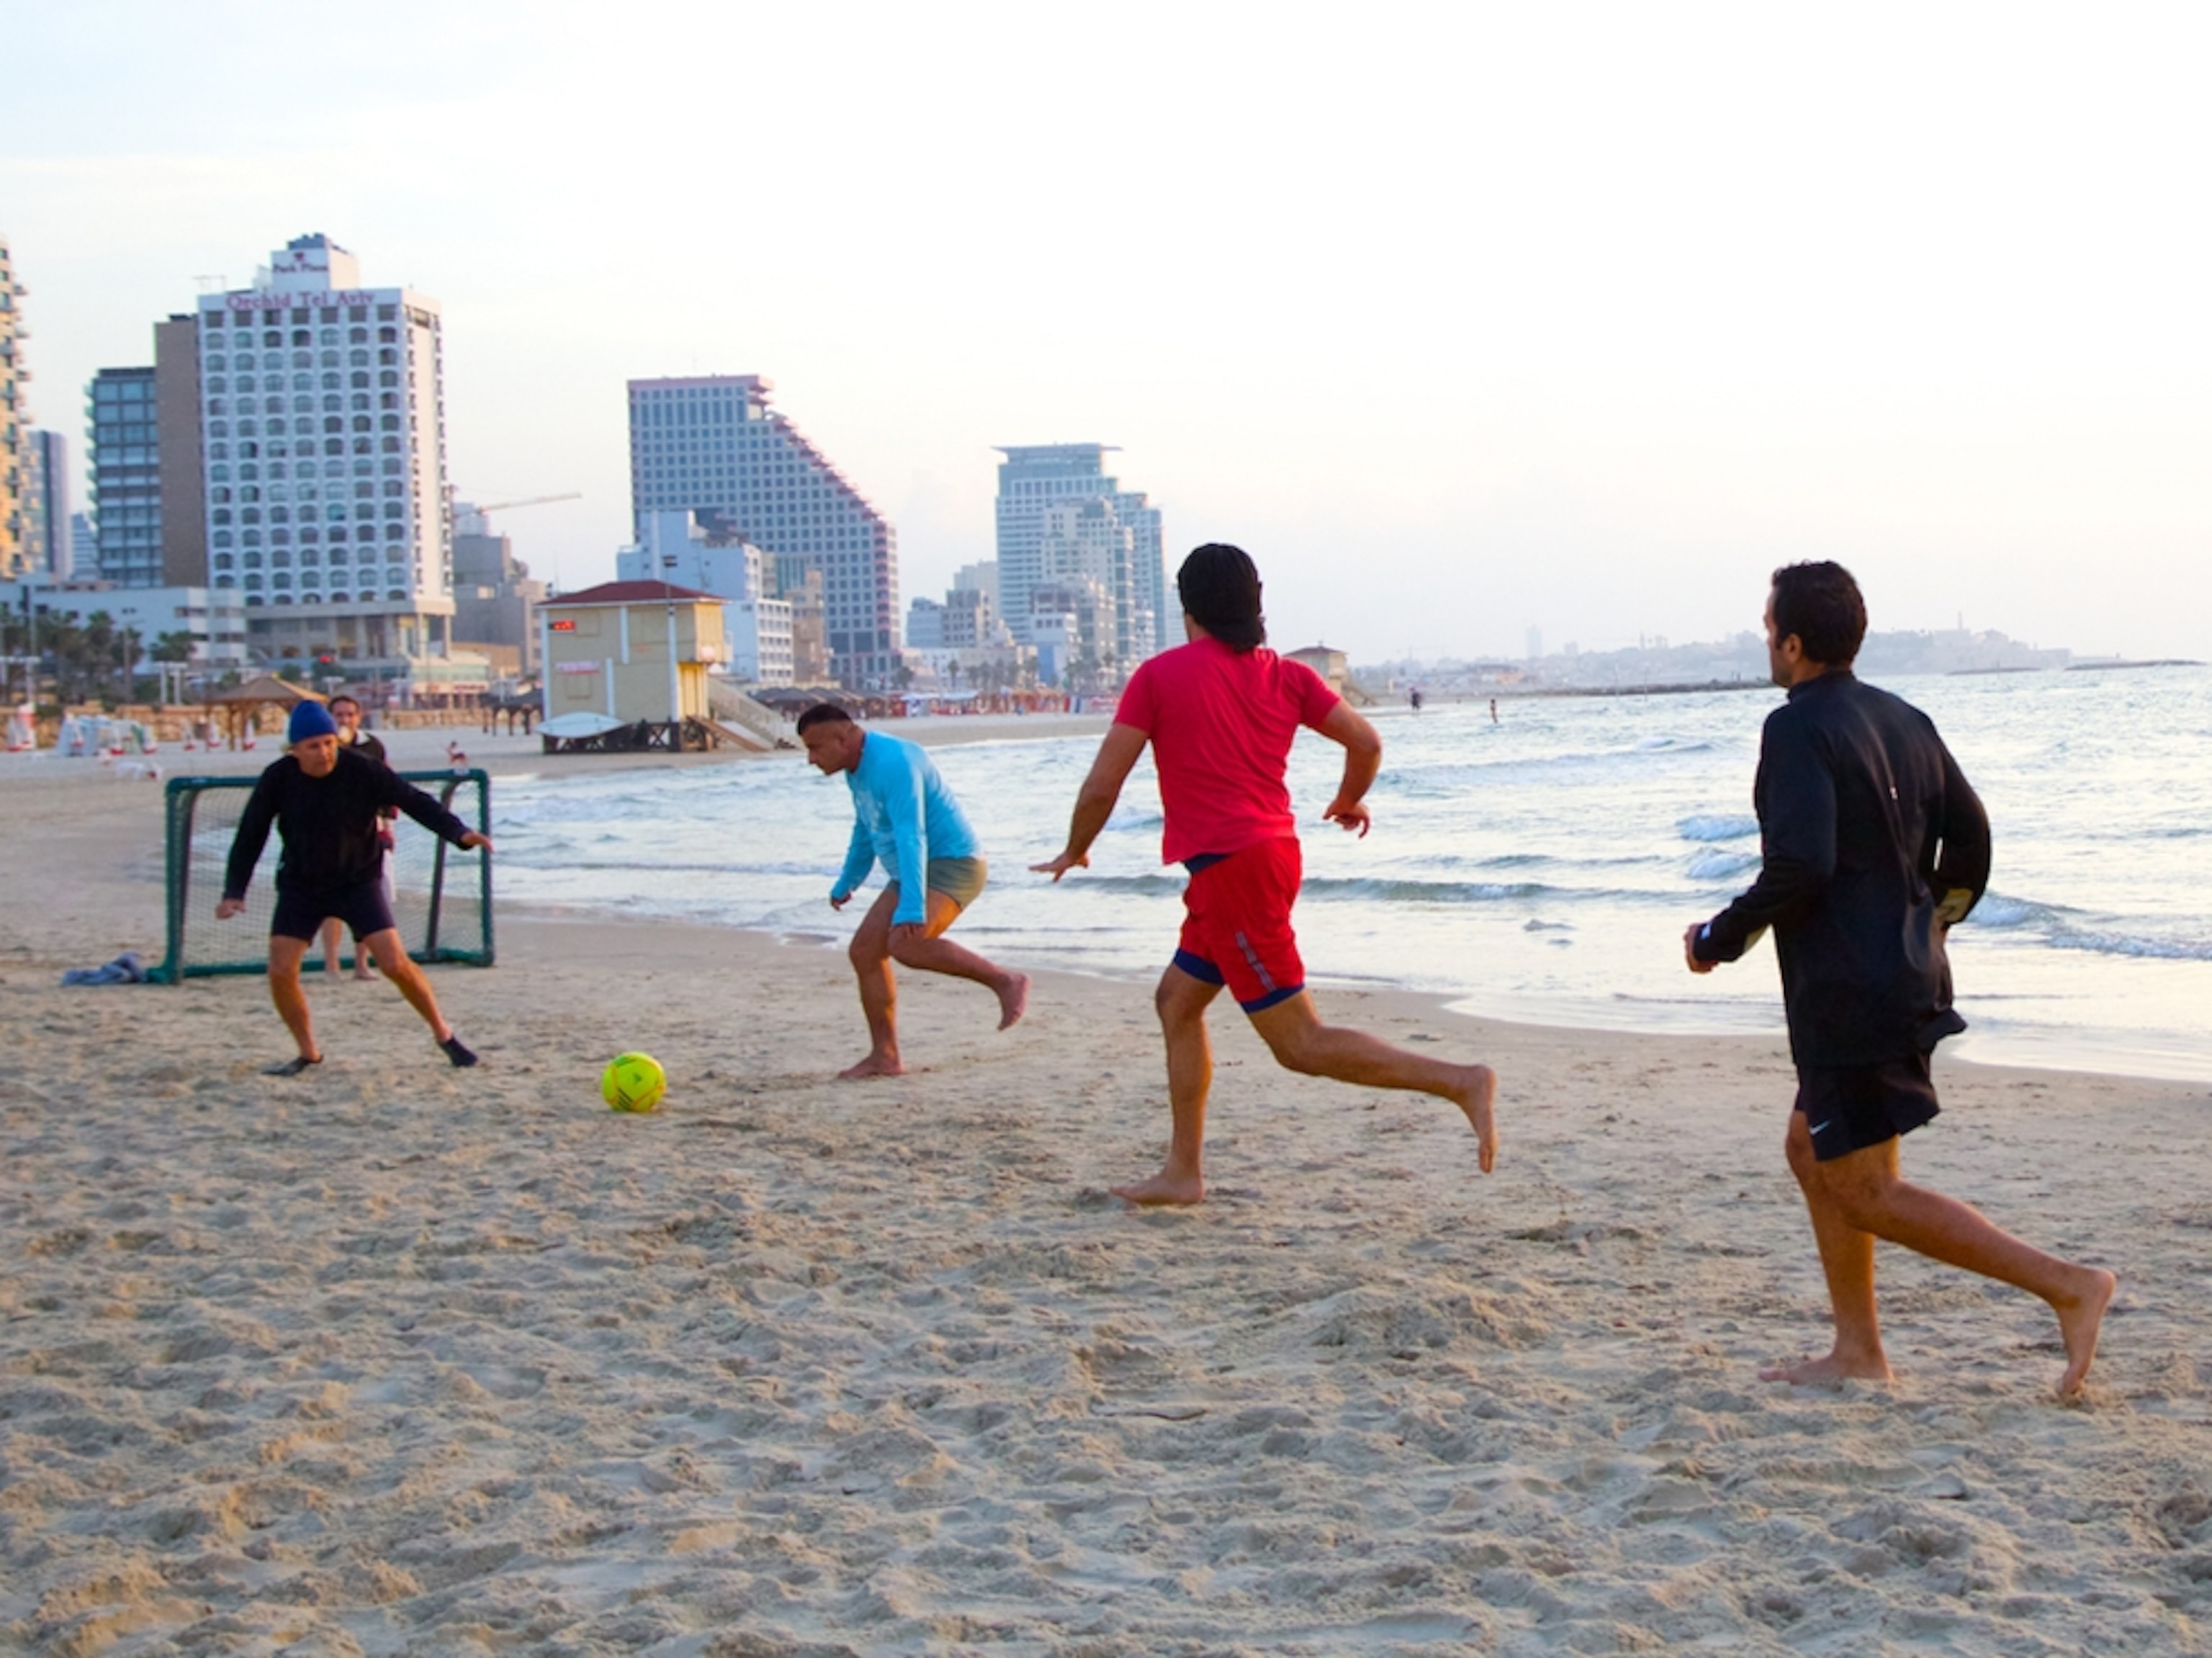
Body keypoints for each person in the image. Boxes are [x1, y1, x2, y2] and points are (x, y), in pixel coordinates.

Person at [1685, 560, 2115, 1397]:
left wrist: (1718, 936)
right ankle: (1858, 1350)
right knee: (1812, 1149)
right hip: (1899, 977)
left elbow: (1801, 863)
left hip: (1850, 993)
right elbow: (1974, 836)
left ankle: (2068, 1285)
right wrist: (1935, 920)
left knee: (1864, 1187)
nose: (1765, 640)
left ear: (1795, 643)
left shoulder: (1797, 728)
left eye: (1770, 627)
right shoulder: (1905, 718)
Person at [1034, 543, 1498, 1206]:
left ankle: (1461, 1081)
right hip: (1260, 861)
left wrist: (1076, 847)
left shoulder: (1159, 677)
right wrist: (1347, 798)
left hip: (1234, 874)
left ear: (1186, 606)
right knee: (1177, 1001)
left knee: (1299, 1043)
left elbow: (1103, 784)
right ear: (1255, 604)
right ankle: (1183, 1173)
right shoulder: (1285, 675)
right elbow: (1366, 743)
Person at [218, 699, 494, 1075]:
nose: (324, 753)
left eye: (330, 743)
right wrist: (235, 891)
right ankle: (308, 1052)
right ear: (294, 750)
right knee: (281, 971)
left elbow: (413, 801)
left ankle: (444, 1034)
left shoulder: (362, 769)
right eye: (313, 746)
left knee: (395, 964)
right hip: (302, 885)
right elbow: (252, 833)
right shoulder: (278, 778)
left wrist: (459, 833)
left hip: (359, 881)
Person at [799, 704, 1030, 1079]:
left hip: (954, 863)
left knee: (907, 942)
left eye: (815, 748)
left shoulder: (894, 762)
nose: (811, 759)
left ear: (843, 738)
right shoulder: (855, 768)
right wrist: (848, 881)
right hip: (915, 870)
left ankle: (1006, 980)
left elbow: (912, 834)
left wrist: (910, 907)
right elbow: (866, 827)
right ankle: (885, 1057)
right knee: (864, 951)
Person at [318, 694, 390, 982]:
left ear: (359, 717)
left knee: (366, 898)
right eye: (338, 714)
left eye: (349, 714)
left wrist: (387, 823)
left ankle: (362, 963)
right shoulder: (321, 746)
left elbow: (387, 786)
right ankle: (331, 964)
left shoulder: (372, 746)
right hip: (326, 833)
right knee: (329, 903)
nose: (344, 720)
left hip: (367, 832)